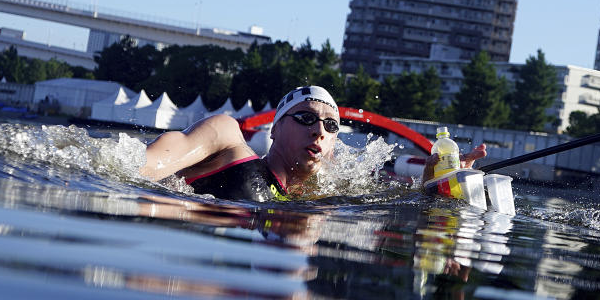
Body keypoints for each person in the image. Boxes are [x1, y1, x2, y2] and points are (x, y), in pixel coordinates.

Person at [140, 84, 487, 202]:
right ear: (274, 130)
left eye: (331, 125)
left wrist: (439, 187)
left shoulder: (328, 201)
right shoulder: (229, 141)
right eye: (305, 118)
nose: (319, 130)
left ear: (334, 142)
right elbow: (139, 167)